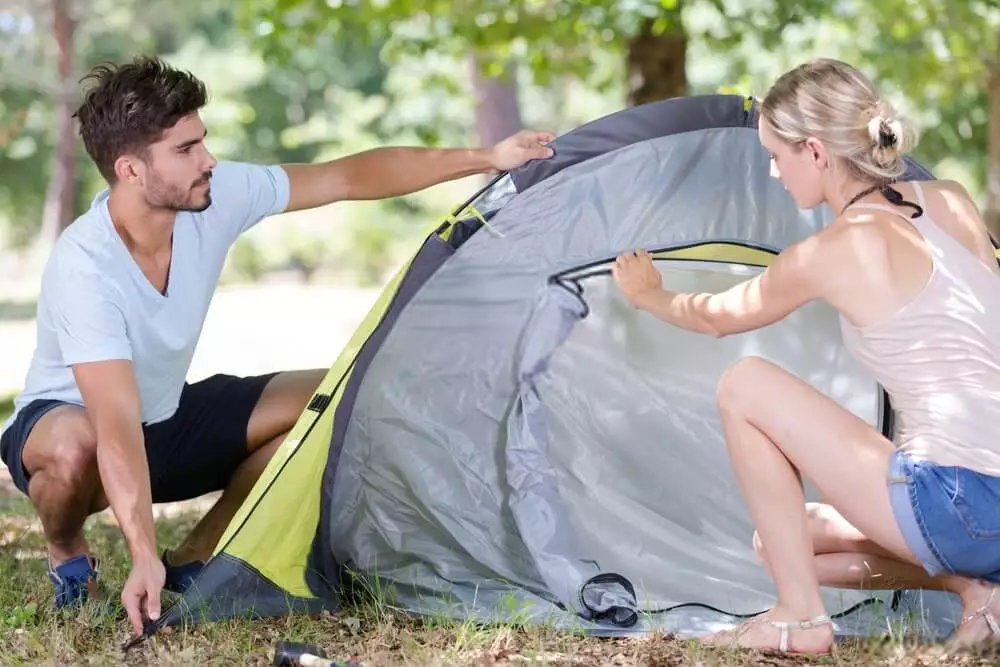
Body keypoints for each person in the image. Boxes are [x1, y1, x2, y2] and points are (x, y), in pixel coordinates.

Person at [0, 55, 554, 636]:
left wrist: (490, 158)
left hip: (162, 420)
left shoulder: (215, 194)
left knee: (339, 395)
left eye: (202, 142)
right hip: (73, 428)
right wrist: (137, 553)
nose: (208, 159)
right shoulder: (86, 266)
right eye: (186, 149)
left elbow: (347, 177)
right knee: (75, 445)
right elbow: (114, 424)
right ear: (131, 170)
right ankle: (67, 553)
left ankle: (191, 563)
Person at [612, 57, 1000, 655]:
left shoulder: (833, 249)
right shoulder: (952, 200)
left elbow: (718, 318)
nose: (772, 172)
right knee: (781, 542)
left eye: (776, 154)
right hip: (985, 508)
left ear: (816, 152)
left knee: (745, 385)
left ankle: (799, 618)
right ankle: (979, 589)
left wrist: (649, 296)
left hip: (958, 501)